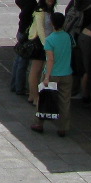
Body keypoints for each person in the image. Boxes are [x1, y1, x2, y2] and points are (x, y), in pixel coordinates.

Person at [31, 8, 75, 137]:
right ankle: (63, 127)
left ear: (52, 24)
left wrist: (46, 77)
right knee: (65, 102)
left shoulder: (50, 40)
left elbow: (50, 59)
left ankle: (39, 123)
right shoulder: (68, 37)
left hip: (53, 74)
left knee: (44, 99)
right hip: (67, 73)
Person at [10, 0, 43, 95]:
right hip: (26, 33)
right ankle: (19, 87)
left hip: (21, 31)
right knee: (22, 62)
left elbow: (18, 1)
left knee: (18, 59)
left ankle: (14, 84)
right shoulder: (32, 3)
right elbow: (25, 16)